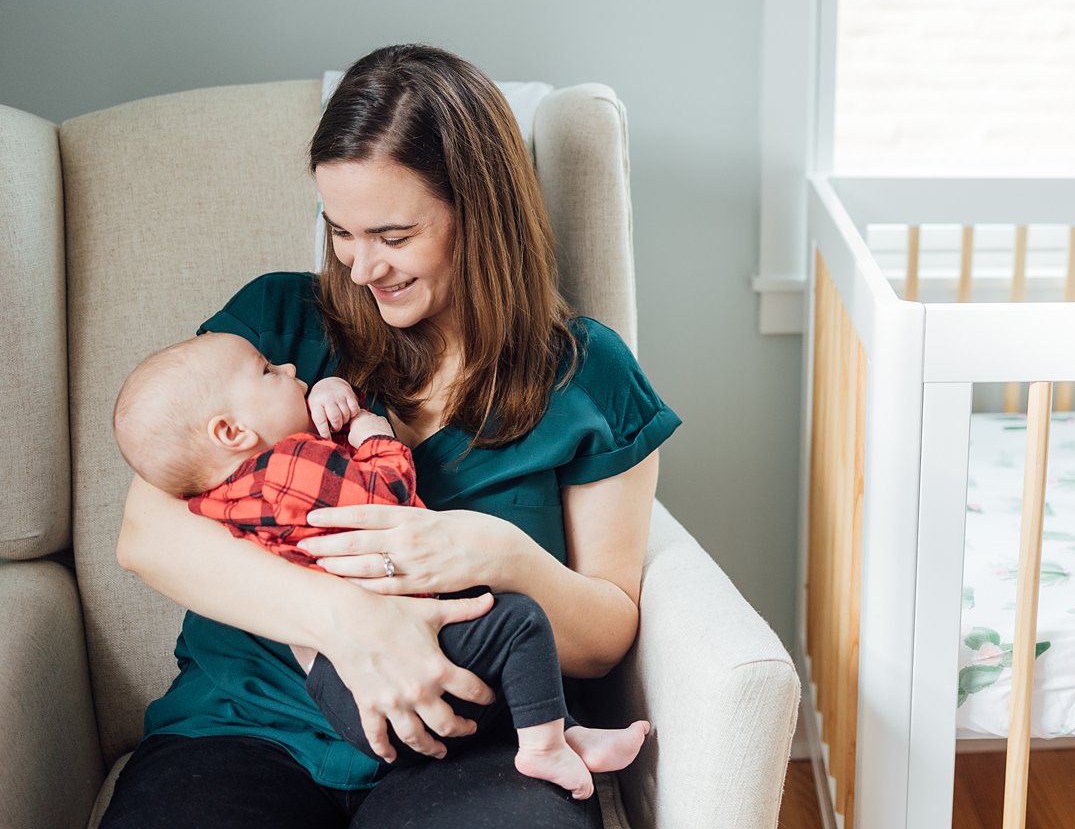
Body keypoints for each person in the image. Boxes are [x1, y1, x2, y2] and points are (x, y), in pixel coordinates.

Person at [103, 44, 680, 828]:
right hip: (243, 727)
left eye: (394, 235)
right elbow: (149, 534)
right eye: (339, 230)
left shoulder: (587, 373)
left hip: (475, 743)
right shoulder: (272, 333)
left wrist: (501, 555)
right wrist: (350, 622)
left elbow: (604, 635)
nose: (361, 265)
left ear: (478, 214)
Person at [110, 331, 652, 800]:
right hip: (336, 702)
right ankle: (546, 742)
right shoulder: (291, 465)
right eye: (269, 372)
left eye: (393, 236)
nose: (291, 368)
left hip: (342, 693)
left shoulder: (228, 491)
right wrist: (374, 435)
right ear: (231, 432)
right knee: (518, 623)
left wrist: (321, 401)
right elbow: (383, 491)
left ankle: (561, 734)